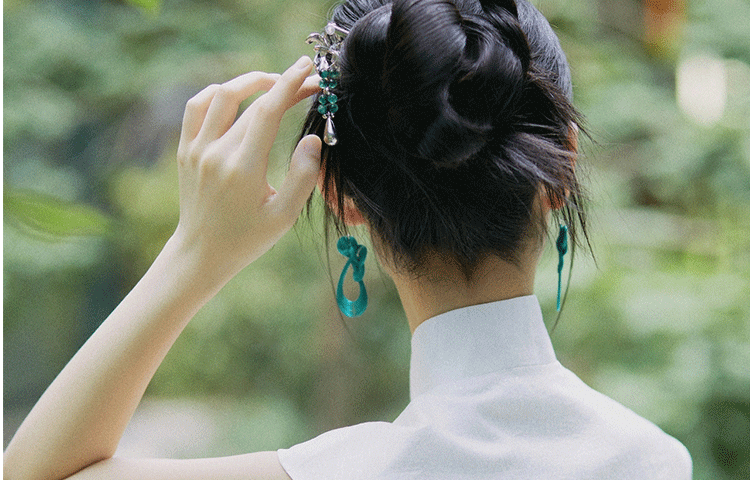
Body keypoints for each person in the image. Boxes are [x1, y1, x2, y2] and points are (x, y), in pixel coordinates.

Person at [4, 0, 692, 478]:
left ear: (342, 198)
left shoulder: (341, 472)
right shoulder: (653, 462)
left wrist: (197, 252)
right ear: (561, 165)